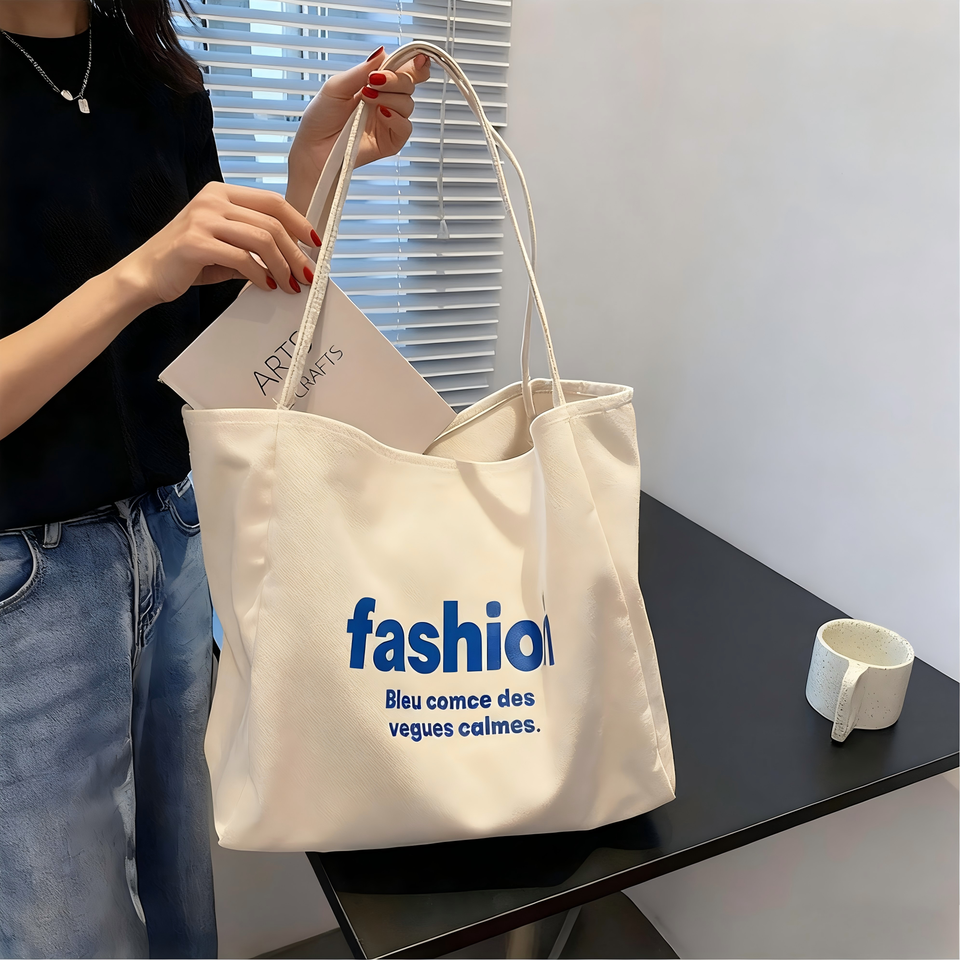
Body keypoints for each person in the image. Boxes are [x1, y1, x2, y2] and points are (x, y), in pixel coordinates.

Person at [0, 1, 429, 955]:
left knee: (185, 905)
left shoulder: (160, 81)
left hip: (176, 538)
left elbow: (212, 343)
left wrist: (312, 174)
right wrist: (138, 274)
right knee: (69, 935)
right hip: (26, 590)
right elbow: (152, 280)